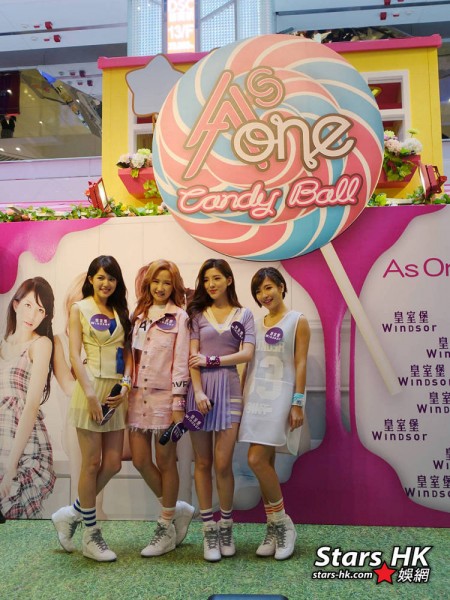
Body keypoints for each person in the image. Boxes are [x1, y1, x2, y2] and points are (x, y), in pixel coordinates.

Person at [51, 256, 132, 562]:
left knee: (112, 463)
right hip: (90, 391)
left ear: (116, 282)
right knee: (91, 463)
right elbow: (74, 355)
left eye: (111, 278)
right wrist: (89, 395)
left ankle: (71, 513)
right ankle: (90, 534)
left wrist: (125, 386)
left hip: (115, 393)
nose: (105, 283)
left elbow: (127, 353)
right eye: (100, 277)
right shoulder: (79, 308)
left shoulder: (120, 311)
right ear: (91, 279)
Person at [239, 267, 310, 560]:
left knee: (255, 459)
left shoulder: (297, 320)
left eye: (268, 287)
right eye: (258, 291)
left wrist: (297, 402)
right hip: (255, 398)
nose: (264, 295)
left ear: (281, 286)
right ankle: (273, 526)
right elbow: (249, 365)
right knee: (263, 461)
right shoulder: (255, 324)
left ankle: (283, 524)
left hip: (281, 399)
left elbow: (301, 363)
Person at [187, 258, 255, 562]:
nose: (211, 284)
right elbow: (192, 359)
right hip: (200, 394)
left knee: (224, 463)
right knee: (202, 462)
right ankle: (208, 530)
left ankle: (226, 526)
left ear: (228, 279)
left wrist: (212, 361)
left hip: (230, 390)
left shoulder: (244, 314)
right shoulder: (197, 315)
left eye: (216, 278)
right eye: (206, 279)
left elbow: (247, 353)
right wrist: (198, 391)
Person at [128, 259, 194, 557]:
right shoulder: (138, 315)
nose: (161, 287)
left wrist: (178, 404)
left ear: (174, 286)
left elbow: (181, 363)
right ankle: (176, 509)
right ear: (148, 283)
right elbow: (131, 356)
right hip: (136, 398)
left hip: (166, 399)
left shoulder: (180, 317)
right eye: (156, 281)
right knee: (141, 460)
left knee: (166, 461)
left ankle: (165, 527)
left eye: (167, 282)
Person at [0, 277, 56, 518]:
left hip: (21, 448)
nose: (32, 315)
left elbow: (32, 405)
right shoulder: (1, 345)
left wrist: (11, 465)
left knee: (14, 526)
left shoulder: (41, 344)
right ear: (16, 304)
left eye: (40, 310)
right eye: (28, 305)